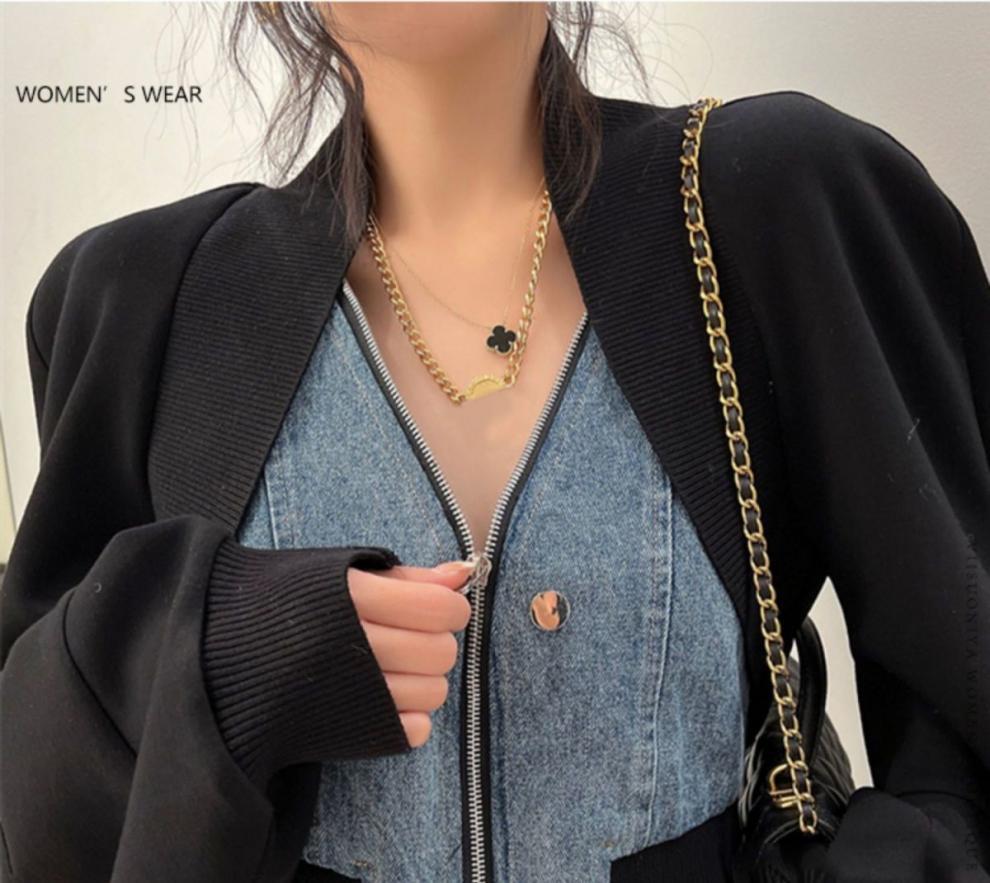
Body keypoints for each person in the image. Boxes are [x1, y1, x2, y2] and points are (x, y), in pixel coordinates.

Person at [2, 4, 988, 882]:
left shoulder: (766, 205)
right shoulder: (147, 306)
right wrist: (224, 647)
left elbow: (964, 716)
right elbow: (38, 796)